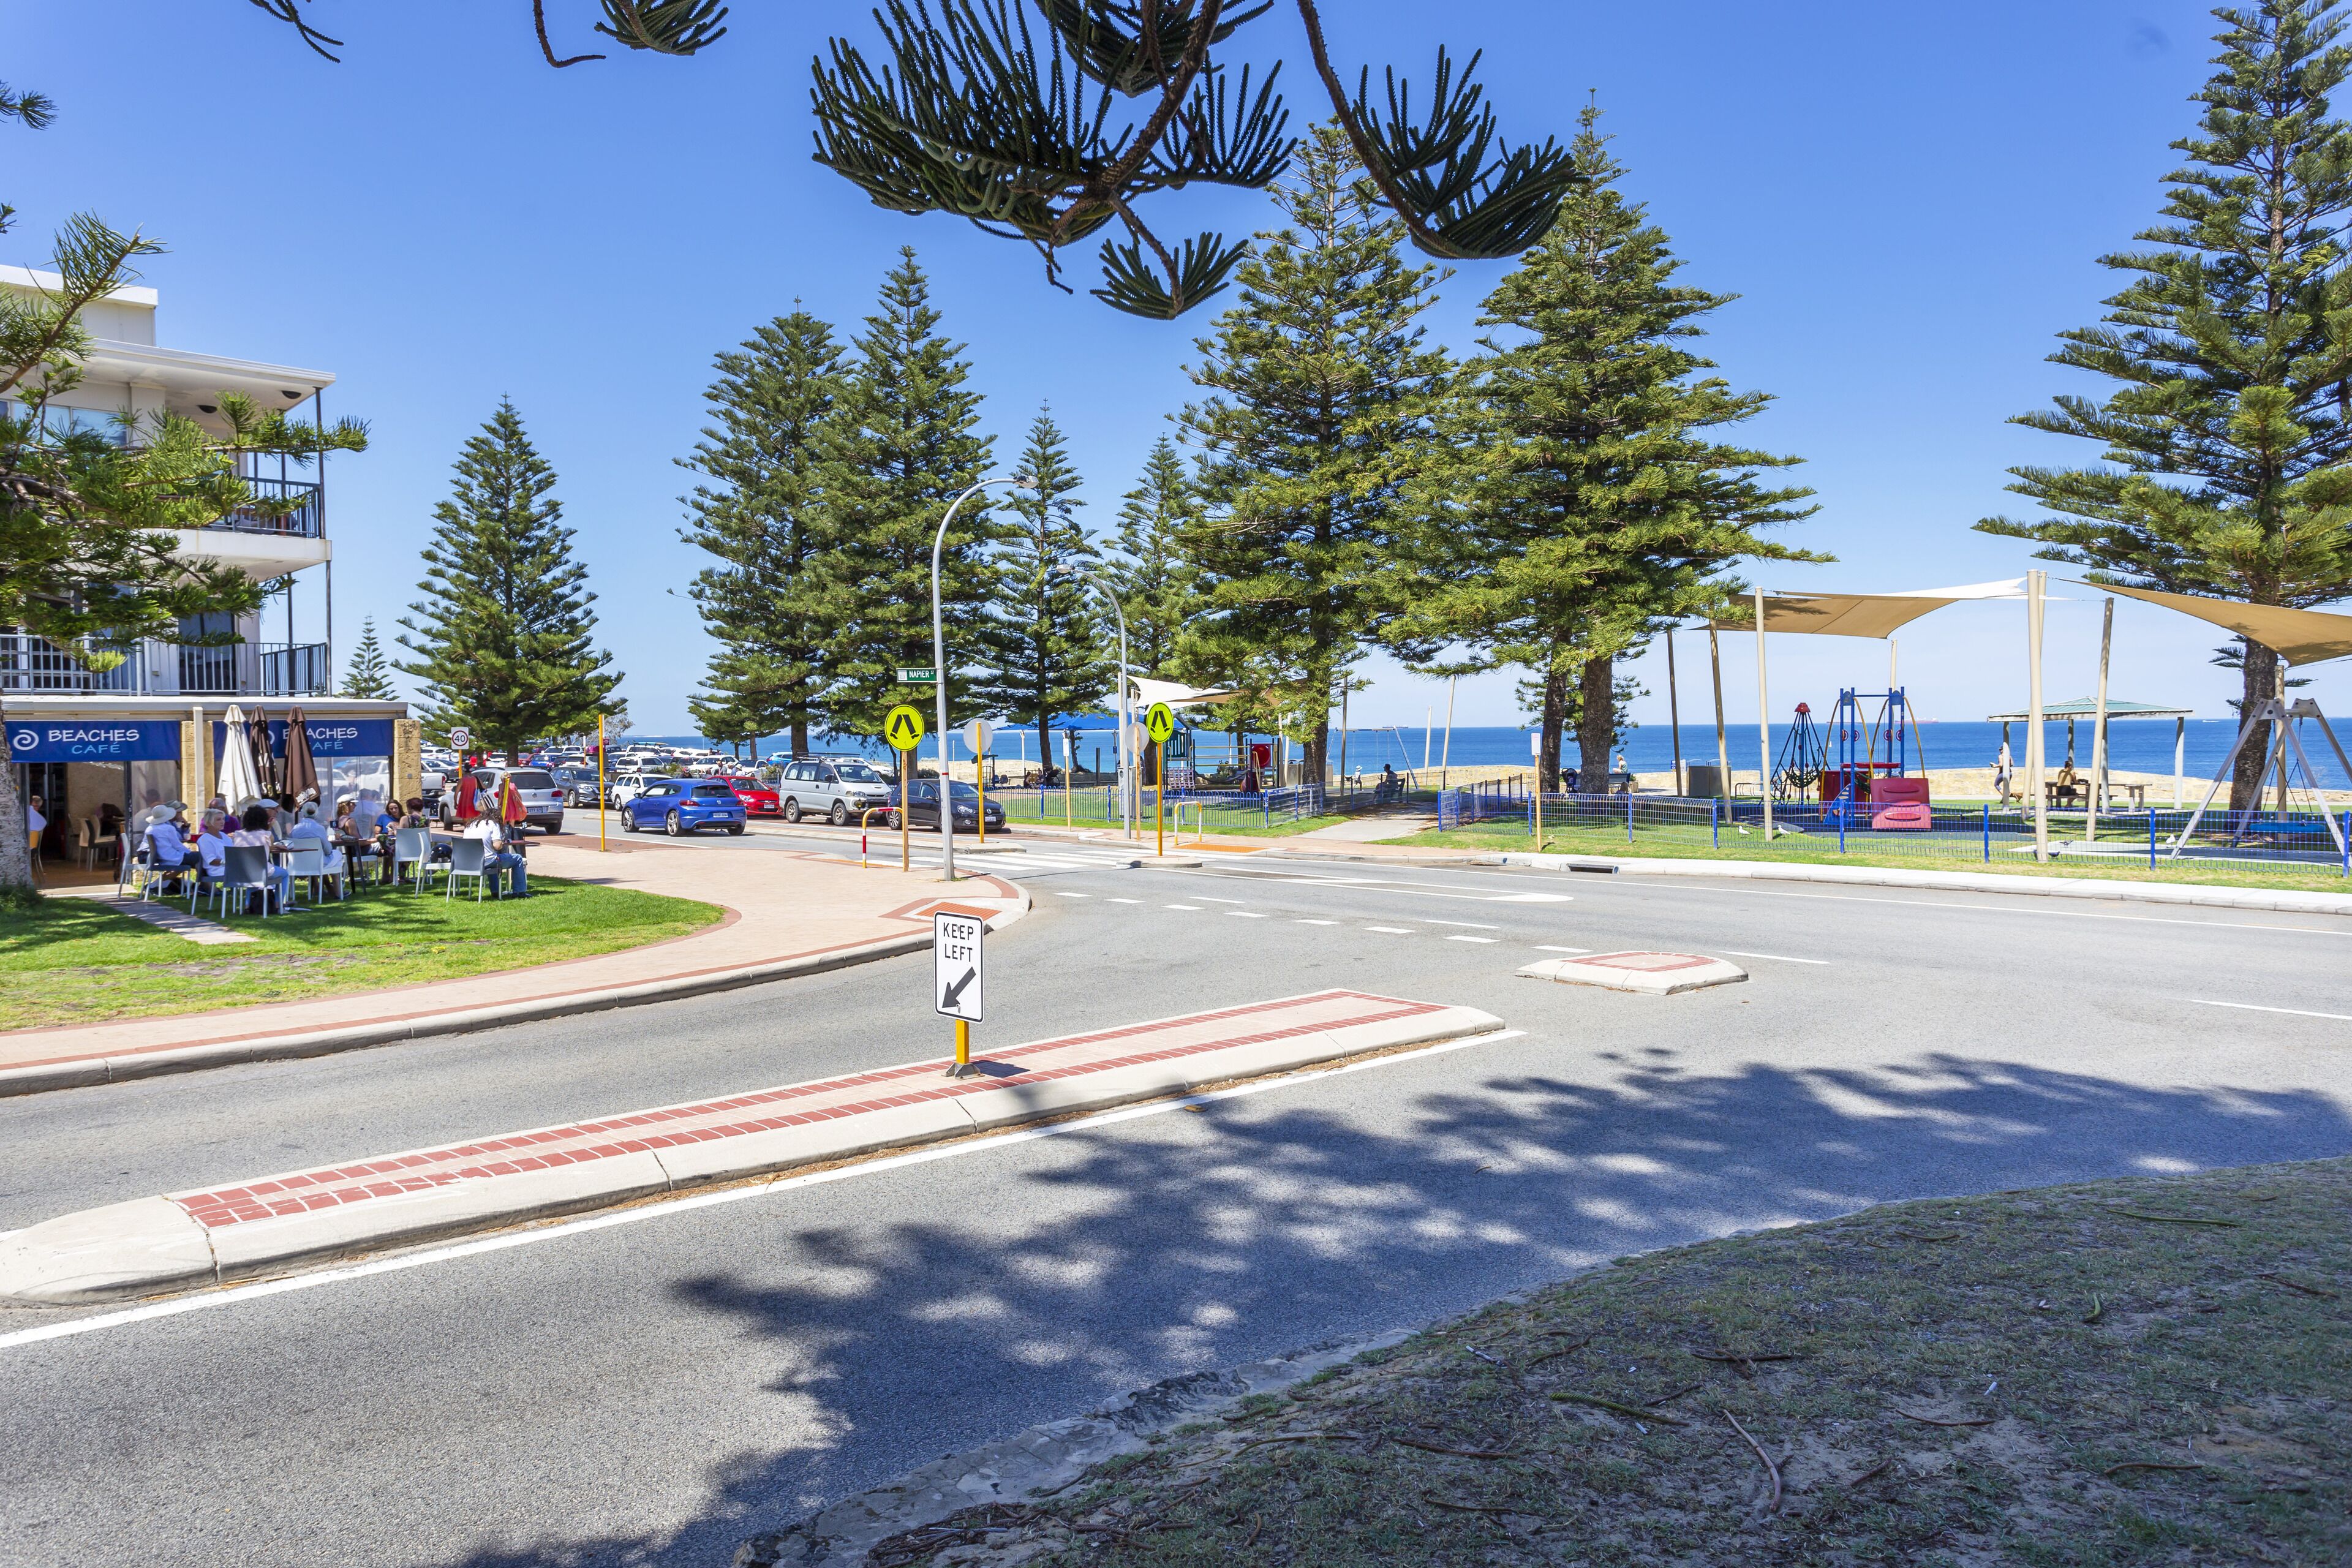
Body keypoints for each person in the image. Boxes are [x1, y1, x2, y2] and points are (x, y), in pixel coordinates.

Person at [227, 804, 295, 910]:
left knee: (252, 877)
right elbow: (269, 846)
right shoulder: (267, 834)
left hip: (241, 871)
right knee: (284, 874)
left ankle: (247, 905)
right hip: (260, 870)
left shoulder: (238, 834)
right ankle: (279, 904)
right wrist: (270, 826)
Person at [464, 811, 529, 898]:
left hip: (468, 862)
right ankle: (519, 891)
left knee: (493, 859)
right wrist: (501, 842)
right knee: (517, 858)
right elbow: (497, 846)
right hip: (486, 861)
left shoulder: (471, 825)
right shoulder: (493, 824)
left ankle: (496, 891)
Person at [1993, 740, 2014, 805]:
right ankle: (2004, 798)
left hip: (2003, 773)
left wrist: (1995, 766)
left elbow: (2001, 765)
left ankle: (2005, 796)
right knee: (2006, 785)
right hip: (2010, 773)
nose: (2000, 751)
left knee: (1996, 784)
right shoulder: (2009, 756)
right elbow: (2012, 764)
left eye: (2001, 750)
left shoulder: (2000, 756)